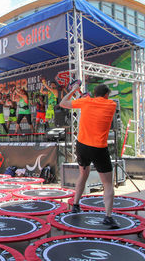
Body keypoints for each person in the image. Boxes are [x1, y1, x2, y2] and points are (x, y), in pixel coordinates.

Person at [60, 83, 118, 228]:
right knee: (108, 183)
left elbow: (63, 103)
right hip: (99, 148)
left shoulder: (86, 102)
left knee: (83, 175)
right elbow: (98, 103)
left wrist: (73, 90)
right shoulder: (111, 104)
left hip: (82, 146)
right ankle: (108, 217)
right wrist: (87, 98)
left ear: (94, 93)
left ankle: (75, 205)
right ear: (107, 95)